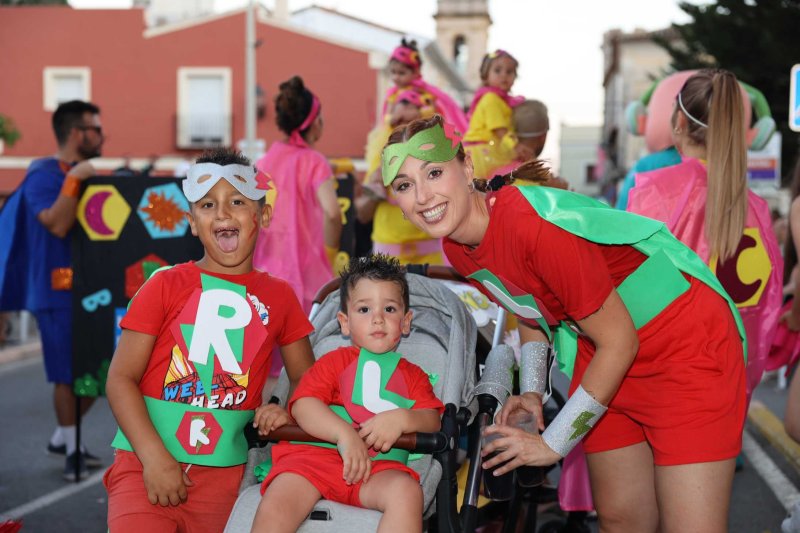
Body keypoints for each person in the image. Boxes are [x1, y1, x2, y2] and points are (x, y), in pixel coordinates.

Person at [382, 115, 746, 532]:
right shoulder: (458, 246)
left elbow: (620, 342)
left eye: (433, 173)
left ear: (466, 169)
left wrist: (551, 445)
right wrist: (533, 392)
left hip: (684, 350)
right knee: (622, 521)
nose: (423, 196)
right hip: (606, 356)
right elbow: (529, 310)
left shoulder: (530, 227)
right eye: (405, 185)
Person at [103, 148, 316, 533]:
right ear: (191, 222)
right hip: (143, 468)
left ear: (263, 215)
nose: (222, 213)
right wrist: (153, 458)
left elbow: (309, 379)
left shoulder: (282, 297)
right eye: (207, 204)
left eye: (237, 201)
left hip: (226, 479)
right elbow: (120, 379)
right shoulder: (162, 285)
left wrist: (284, 407)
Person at [252, 254, 444, 533]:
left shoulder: (414, 375)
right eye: (364, 310)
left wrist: (403, 419)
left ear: (405, 322)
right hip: (313, 461)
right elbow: (304, 405)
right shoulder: (334, 361)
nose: (378, 319)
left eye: (389, 309)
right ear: (344, 322)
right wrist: (344, 435)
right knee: (278, 500)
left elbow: (432, 420)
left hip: (377, 470)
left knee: (407, 493)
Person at [627, 69, 783, 405]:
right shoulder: (756, 207)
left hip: (665, 384)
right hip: (726, 384)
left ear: (678, 123)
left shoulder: (654, 190)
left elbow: (628, 292)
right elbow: (765, 308)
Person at [0, 100, 104, 480]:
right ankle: (72, 451)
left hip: (91, 289)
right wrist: (76, 178)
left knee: (102, 370)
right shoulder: (44, 174)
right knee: (66, 374)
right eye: (95, 128)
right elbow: (57, 224)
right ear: (77, 133)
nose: (101, 135)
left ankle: (64, 436)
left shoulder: (83, 173)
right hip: (56, 290)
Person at [253, 76, 341, 313]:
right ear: (313, 122)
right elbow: (333, 213)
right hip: (308, 280)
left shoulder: (263, 161)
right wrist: (330, 253)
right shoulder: (314, 162)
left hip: (265, 275)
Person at [357, 90, 446, 264]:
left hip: (430, 257)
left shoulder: (435, 160)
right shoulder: (379, 162)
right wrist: (379, 187)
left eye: (410, 124)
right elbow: (363, 214)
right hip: (388, 257)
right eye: (398, 123)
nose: (403, 132)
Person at [463, 50, 533, 180]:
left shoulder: (501, 101)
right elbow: (500, 130)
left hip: (486, 151)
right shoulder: (491, 98)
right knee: (518, 178)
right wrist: (516, 147)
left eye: (509, 72)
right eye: (497, 70)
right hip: (483, 154)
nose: (504, 75)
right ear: (486, 75)